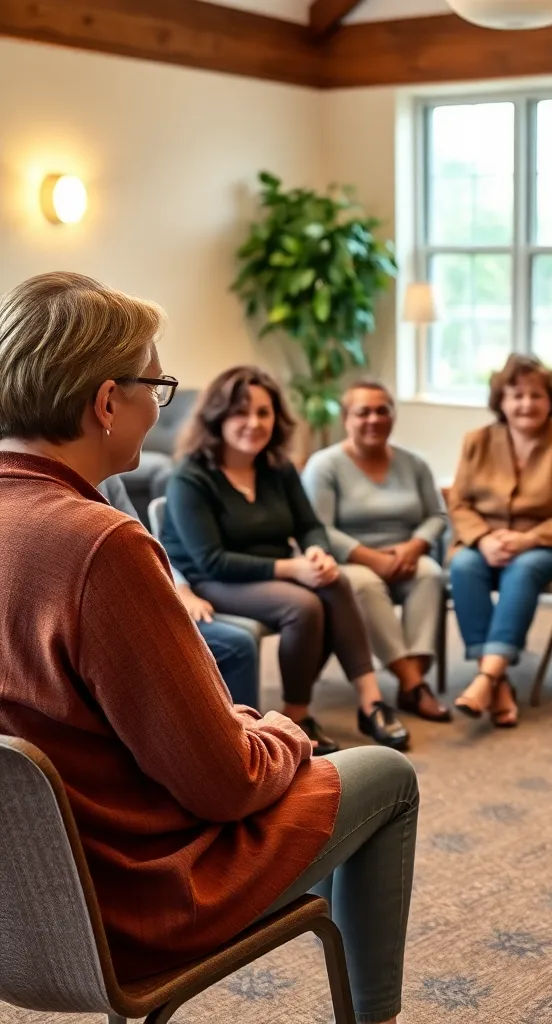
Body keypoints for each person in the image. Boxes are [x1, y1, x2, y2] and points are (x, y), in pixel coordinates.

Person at [0, 273, 417, 1024]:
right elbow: (224, 784)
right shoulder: (101, 545)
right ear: (104, 401)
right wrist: (285, 733)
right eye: (155, 385)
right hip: (127, 903)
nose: (157, 403)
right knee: (383, 774)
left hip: (17, 912)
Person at [161, 365, 409, 755]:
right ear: (218, 416)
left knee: (335, 580)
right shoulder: (190, 477)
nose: (253, 423)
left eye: (264, 412)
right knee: (304, 606)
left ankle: (370, 701)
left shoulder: (276, 467)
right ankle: (296, 717)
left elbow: (311, 525)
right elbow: (211, 560)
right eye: (241, 412)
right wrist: (294, 568)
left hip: (273, 571)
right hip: (212, 581)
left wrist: (316, 553)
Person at [447, 354, 552, 727]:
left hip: (551, 547)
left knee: (523, 568)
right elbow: (459, 502)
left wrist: (528, 539)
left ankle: (485, 678)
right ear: (501, 400)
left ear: (551, 399)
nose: (526, 404)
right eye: (517, 395)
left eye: (536, 395)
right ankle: (498, 684)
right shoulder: (477, 441)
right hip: (485, 541)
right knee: (463, 564)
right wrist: (482, 539)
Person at [302, 378, 450, 723]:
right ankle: (414, 684)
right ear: (346, 418)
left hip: (405, 556)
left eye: (382, 410)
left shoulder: (415, 463)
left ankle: (410, 678)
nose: (373, 419)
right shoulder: (324, 465)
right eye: (363, 412)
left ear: (393, 415)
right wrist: (371, 559)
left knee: (430, 573)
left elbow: (438, 515)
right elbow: (318, 528)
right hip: (348, 559)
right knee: (364, 584)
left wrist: (415, 546)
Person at [98, 473, 261, 708]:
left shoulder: (110, 479)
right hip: (129, 611)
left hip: (158, 593)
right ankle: (241, 738)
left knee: (246, 636)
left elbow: (146, 545)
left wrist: (180, 587)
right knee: (239, 644)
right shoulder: (190, 478)